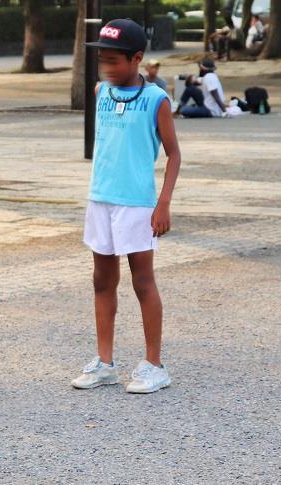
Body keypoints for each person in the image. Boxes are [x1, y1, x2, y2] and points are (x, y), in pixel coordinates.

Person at [73, 19, 181, 394]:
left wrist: (163, 203)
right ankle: (105, 363)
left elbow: (174, 155)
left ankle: (154, 364)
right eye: (103, 60)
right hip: (100, 199)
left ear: (137, 58)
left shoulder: (156, 100)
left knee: (143, 281)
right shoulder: (101, 91)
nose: (107, 67)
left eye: (115, 61)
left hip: (136, 204)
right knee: (102, 281)